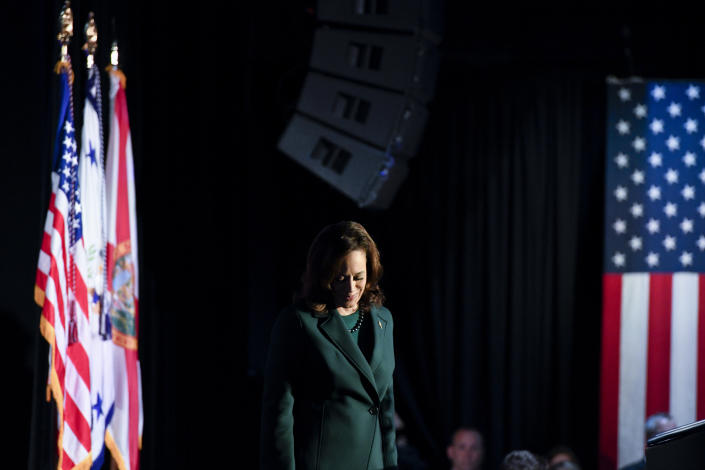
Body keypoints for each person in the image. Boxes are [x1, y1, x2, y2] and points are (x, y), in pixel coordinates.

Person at [260, 221, 397, 470]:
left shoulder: (384, 319)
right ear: (323, 273)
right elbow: (278, 414)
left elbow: (385, 406)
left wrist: (391, 464)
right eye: (340, 278)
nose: (351, 288)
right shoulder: (298, 323)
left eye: (359, 278)